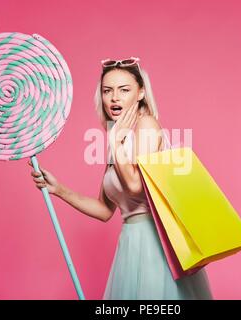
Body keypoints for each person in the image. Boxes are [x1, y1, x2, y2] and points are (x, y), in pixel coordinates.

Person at [28, 57, 213, 300]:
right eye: (107, 91)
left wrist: (115, 141)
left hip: (156, 246)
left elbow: (136, 186)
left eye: (124, 90)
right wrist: (58, 189)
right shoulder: (117, 139)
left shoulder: (146, 126)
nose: (114, 97)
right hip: (129, 244)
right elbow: (105, 210)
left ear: (140, 93)